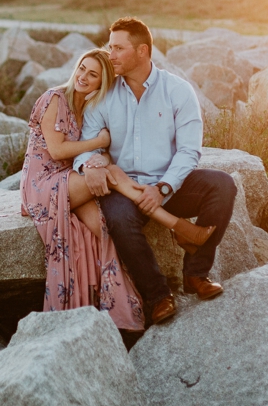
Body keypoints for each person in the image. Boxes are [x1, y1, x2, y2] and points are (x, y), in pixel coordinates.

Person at [20, 48, 216, 331]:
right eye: (82, 69)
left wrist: (100, 156)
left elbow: (103, 153)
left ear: (103, 82)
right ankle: (178, 227)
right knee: (111, 174)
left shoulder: (88, 106)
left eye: (93, 74)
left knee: (102, 230)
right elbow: (57, 149)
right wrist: (99, 143)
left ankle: (112, 306)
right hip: (42, 184)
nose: (84, 77)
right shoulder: (54, 98)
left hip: (69, 178)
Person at [74, 17, 237, 326]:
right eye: (110, 48)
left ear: (142, 51)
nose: (111, 55)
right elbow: (85, 145)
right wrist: (89, 166)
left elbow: (190, 151)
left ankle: (196, 274)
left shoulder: (177, 91)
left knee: (223, 185)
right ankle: (158, 296)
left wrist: (162, 188)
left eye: (119, 49)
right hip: (124, 187)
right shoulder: (104, 95)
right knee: (119, 218)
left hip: (168, 185)